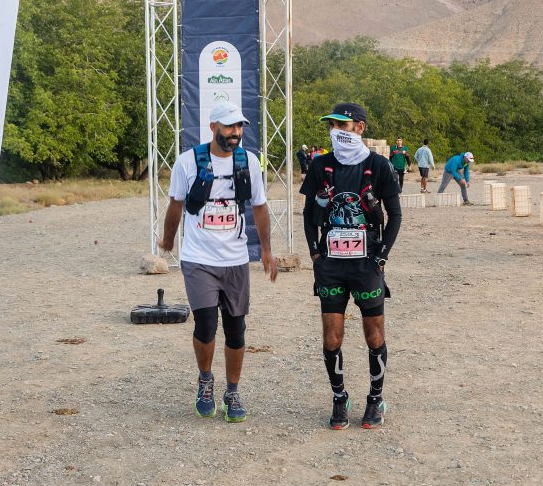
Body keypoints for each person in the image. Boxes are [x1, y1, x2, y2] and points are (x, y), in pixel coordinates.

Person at [159, 100, 278, 423]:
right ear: (213, 127)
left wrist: (266, 249)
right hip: (199, 258)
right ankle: (205, 381)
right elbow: (176, 204)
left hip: (236, 259)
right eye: (229, 126)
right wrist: (168, 239)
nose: (235, 132)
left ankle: (232, 391)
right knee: (206, 324)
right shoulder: (188, 162)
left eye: (239, 126)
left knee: (236, 329)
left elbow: (259, 207)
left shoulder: (248, 162)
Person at [300, 102, 402, 430]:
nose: (335, 131)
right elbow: (308, 213)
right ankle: (339, 398)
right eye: (331, 126)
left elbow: (395, 214)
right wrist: (314, 254)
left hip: (367, 264)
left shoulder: (379, 165)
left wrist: (382, 255)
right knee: (332, 338)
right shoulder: (321, 165)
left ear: (360, 127)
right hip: (331, 265)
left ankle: (375, 399)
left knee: (374, 335)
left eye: (341, 125)